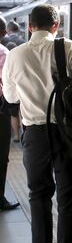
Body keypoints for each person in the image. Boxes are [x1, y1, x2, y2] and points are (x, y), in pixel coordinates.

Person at [2, 4, 72, 243]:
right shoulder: (66, 47)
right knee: (69, 200)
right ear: (56, 26)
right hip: (69, 134)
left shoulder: (15, 54)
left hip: (35, 136)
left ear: (31, 26)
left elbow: (11, 98)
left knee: (38, 196)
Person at [0, 16, 20, 212]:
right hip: (0, 110)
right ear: (3, 33)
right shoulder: (3, 52)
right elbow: (6, 85)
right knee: (1, 155)